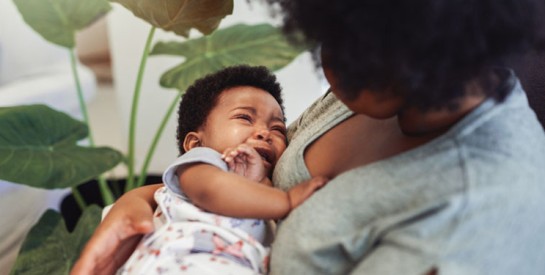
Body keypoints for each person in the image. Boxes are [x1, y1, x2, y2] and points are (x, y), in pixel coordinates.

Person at [73, 1, 545, 274]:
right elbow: (228, 180)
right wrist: (144, 202)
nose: (326, 61)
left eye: (351, 46)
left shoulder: (473, 223)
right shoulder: (382, 89)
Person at [115, 65, 327, 274]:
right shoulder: (202, 162)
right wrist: (287, 201)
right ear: (195, 144)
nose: (264, 132)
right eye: (245, 118)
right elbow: (212, 189)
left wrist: (264, 183)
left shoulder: (270, 193)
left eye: (278, 129)